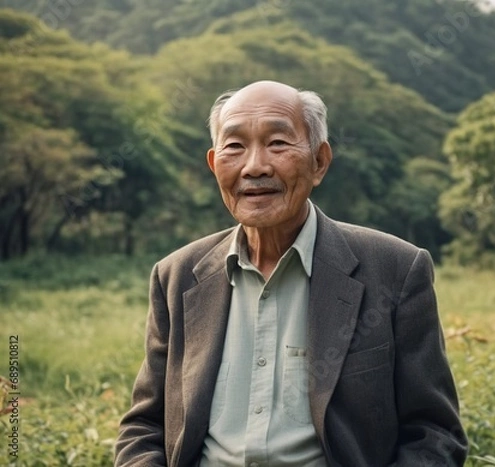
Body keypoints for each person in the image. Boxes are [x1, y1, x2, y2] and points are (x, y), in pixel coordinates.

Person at [114, 80, 468, 466]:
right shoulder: (177, 276)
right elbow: (145, 427)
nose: (254, 166)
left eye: (278, 144)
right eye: (235, 146)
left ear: (319, 162)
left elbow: (434, 434)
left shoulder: (396, 270)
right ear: (215, 165)